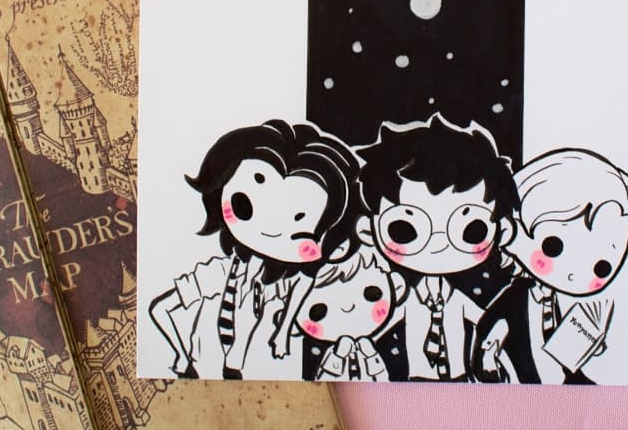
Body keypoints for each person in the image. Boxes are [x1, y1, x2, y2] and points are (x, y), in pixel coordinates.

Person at [149, 119, 363, 379]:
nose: (271, 228)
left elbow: (304, 281)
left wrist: (283, 330)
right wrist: (183, 360)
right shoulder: (217, 274)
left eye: (298, 219)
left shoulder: (272, 287)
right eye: (246, 203)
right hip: (202, 378)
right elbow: (160, 309)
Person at [357, 114, 519, 382]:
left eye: (472, 230)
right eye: (403, 229)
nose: (439, 244)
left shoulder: (458, 301)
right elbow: (379, 330)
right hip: (415, 381)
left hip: (460, 378)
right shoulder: (406, 302)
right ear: (367, 231)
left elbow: (488, 324)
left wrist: (498, 342)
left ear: (503, 232)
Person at [475, 147, 628, 384]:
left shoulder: (554, 300)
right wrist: (490, 366)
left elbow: (559, 345)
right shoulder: (515, 299)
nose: (575, 273)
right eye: (552, 247)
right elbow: (489, 338)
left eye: (601, 268)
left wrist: (587, 345)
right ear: (510, 230)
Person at [297, 246, 407, 381]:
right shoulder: (327, 353)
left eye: (372, 294)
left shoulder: (376, 347)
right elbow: (324, 378)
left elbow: (382, 377)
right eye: (319, 311)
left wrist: (370, 355)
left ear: (396, 288)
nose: (347, 307)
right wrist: (338, 356)